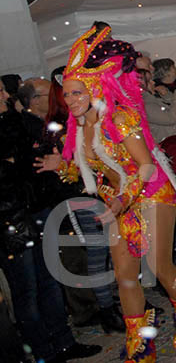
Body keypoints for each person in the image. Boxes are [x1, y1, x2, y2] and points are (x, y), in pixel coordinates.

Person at [35, 26, 176, 362]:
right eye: (67, 95)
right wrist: (61, 166)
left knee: (158, 263)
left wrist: (123, 200)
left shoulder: (120, 118)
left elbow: (145, 166)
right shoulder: (80, 128)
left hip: (150, 192)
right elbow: (94, 173)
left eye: (77, 93)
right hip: (117, 202)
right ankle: (139, 340)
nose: (71, 101)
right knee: (125, 274)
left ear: (95, 88)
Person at [0, 83, 103, 363]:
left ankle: (63, 343)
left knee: (49, 281)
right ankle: (44, 352)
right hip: (10, 220)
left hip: (38, 209)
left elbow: (38, 156)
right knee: (26, 291)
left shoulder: (19, 122)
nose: (7, 96)